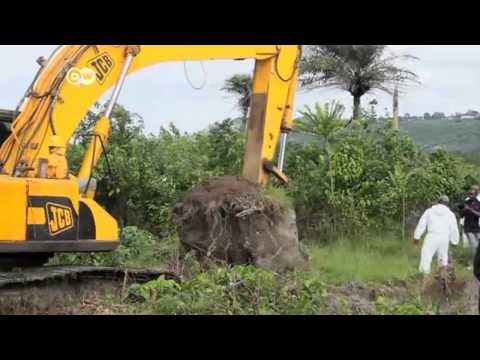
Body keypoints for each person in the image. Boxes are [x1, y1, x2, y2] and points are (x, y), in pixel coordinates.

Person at [413, 195, 459, 275]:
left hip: (432, 236)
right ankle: (442, 277)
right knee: (443, 258)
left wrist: (417, 237)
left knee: (426, 256)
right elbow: (453, 228)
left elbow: (422, 224)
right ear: (447, 204)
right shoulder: (450, 214)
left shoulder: (429, 211)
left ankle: (424, 275)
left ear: (438, 202)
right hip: (444, 237)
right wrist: (454, 241)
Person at [459, 185, 480, 270]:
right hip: (468, 228)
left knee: (477, 246)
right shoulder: (466, 203)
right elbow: (461, 215)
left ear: (476, 194)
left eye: (472, 193)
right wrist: (463, 210)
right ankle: (472, 264)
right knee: (474, 245)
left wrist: (471, 210)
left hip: (476, 227)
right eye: (470, 193)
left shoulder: (478, 203)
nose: (470, 194)